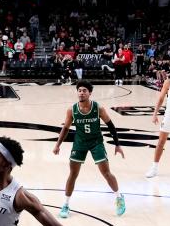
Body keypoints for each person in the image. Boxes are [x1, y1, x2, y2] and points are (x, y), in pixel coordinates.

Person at [52, 80, 125, 218]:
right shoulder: (72, 110)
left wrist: (117, 144)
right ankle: (66, 205)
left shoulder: (98, 108)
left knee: (106, 173)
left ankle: (119, 197)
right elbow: (65, 128)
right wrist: (57, 145)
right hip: (80, 143)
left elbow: (111, 126)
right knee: (73, 174)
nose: (81, 93)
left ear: (90, 93)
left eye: (84, 90)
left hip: (96, 143)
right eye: (79, 90)